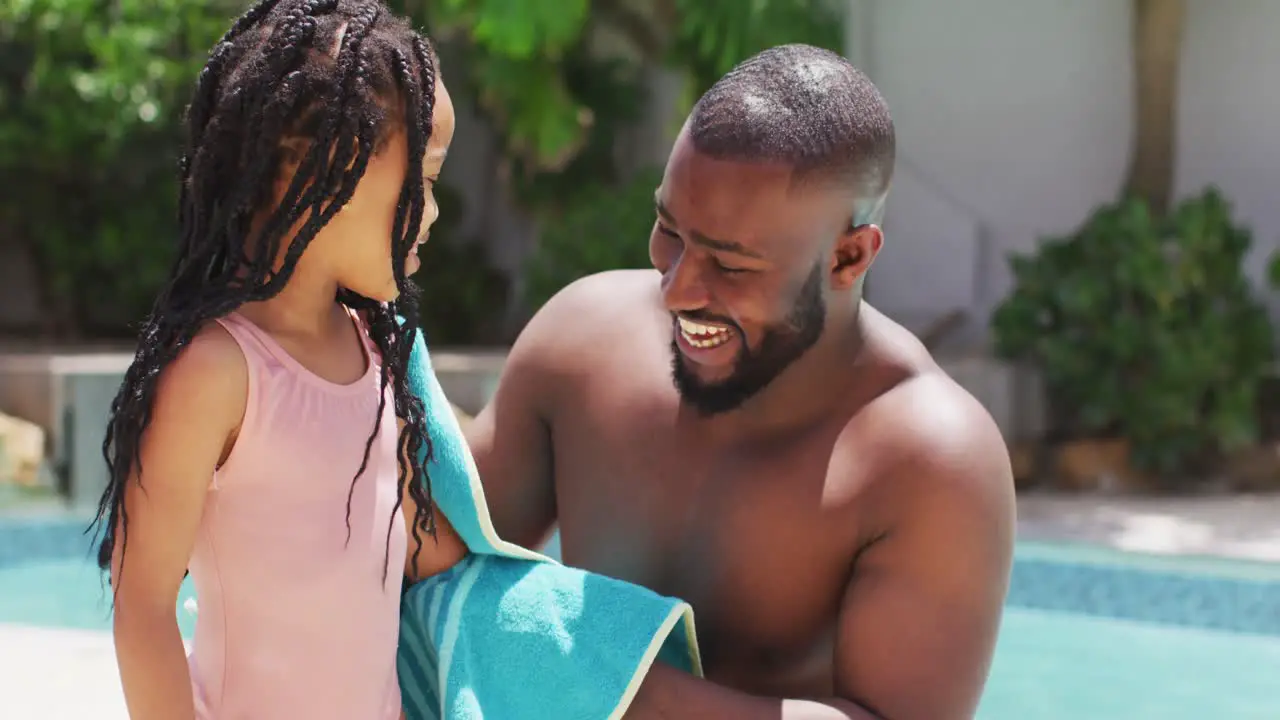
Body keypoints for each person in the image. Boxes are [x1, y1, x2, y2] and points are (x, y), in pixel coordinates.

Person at [468, 44, 1015, 720]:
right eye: (669, 230)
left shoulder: (925, 459)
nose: (676, 291)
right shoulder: (582, 344)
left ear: (847, 257)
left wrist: (600, 683)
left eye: (730, 264)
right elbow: (437, 560)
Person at [88, 2, 467, 718]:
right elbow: (142, 606)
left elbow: (427, 550)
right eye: (424, 178)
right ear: (321, 163)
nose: (434, 211)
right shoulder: (219, 372)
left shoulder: (379, 357)